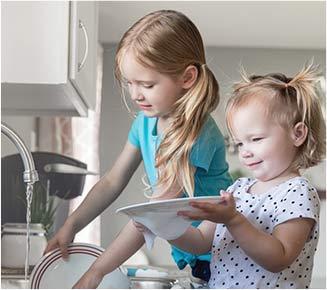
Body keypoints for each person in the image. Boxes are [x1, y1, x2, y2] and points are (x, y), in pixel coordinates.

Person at [44, 10, 232, 288]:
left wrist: (96, 272)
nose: (135, 94)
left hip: (228, 256)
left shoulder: (197, 133)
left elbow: (151, 216)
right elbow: (111, 181)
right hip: (200, 259)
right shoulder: (145, 123)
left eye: (147, 84)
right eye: (129, 83)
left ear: (187, 77)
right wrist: (71, 226)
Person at [161, 63, 326, 288]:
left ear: (297, 134)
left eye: (256, 139)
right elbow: (200, 242)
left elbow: (279, 257)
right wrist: (164, 227)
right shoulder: (237, 189)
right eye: (239, 143)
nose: (245, 151)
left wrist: (233, 220)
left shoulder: (298, 191)